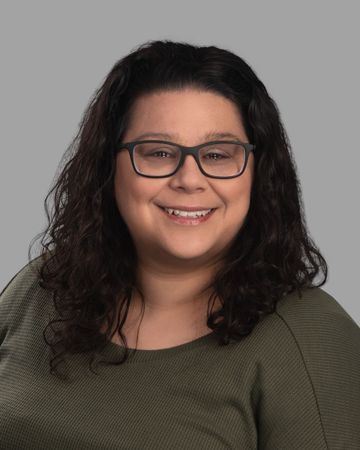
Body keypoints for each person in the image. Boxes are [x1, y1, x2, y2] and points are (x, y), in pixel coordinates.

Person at [0, 39, 359, 449]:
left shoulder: (312, 339)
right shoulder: (39, 288)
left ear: (258, 174)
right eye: (158, 152)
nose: (189, 179)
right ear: (108, 167)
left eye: (218, 155)